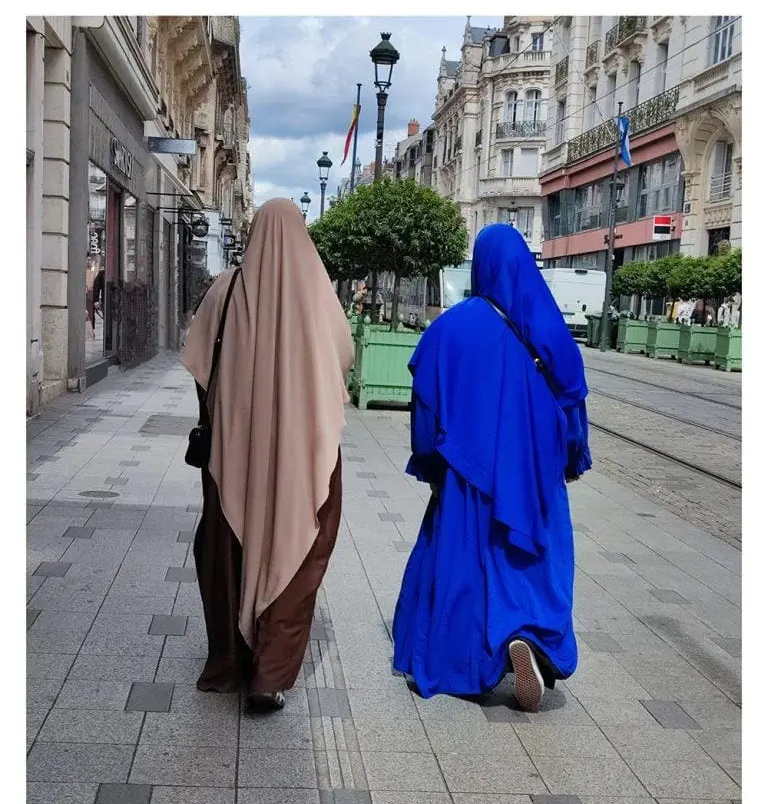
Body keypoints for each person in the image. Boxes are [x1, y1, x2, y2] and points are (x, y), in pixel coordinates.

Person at [393, 224, 592, 712]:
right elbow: (573, 402)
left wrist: (430, 461)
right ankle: (526, 636)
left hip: (467, 471)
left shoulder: (451, 327)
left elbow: (425, 408)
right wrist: (569, 458)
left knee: (463, 559)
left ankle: (464, 663)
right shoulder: (547, 324)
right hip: (533, 473)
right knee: (531, 559)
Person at [181, 199, 354, 713]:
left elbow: (199, 368)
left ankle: (231, 663)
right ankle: (270, 675)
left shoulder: (224, 289)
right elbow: (343, 362)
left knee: (228, 547)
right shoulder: (320, 296)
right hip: (305, 454)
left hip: (232, 453)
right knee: (298, 546)